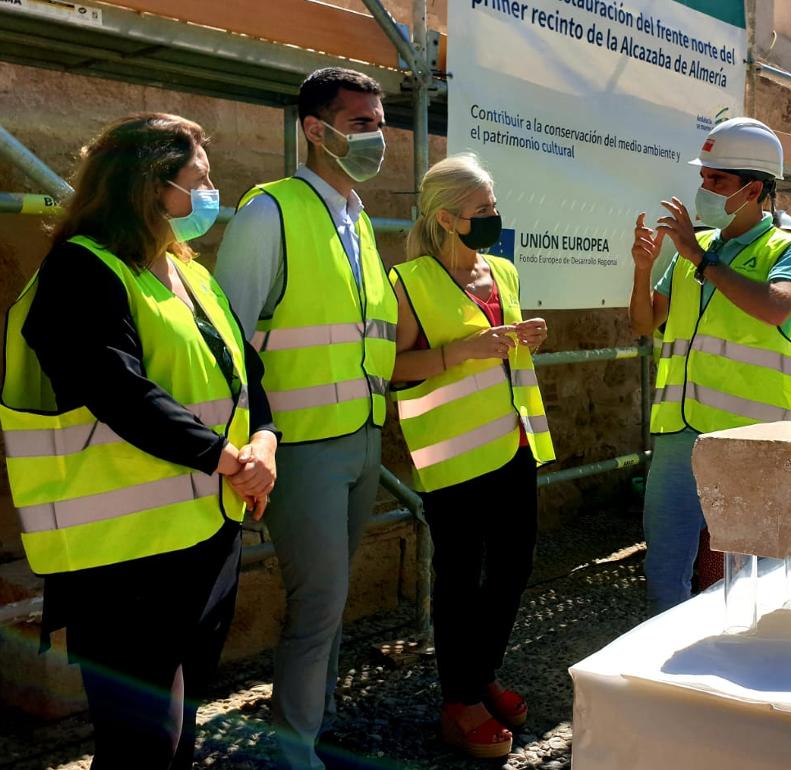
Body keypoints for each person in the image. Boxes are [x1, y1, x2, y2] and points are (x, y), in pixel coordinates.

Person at [0, 113, 277, 769]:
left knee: (177, 726)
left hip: (207, 534)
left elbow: (249, 381)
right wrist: (225, 457)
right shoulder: (81, 271)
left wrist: (264, 442)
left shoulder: (193, 275)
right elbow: (116, 388)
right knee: (137, 742)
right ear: (151, 188)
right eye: (198, 180)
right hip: (124, 559)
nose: (211, 195)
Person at [214, 67, 397, 770]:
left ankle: (310, 729)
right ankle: (295, 753)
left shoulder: (355, 221)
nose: (377, 139)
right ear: (314, 131)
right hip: (300, 449)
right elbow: (228, 342)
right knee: (317, 606)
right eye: (362, 125)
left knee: (333, 601)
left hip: (359, 440)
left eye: (381, 124)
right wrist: (251, 449)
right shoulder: (272, 212)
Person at [389, 153, 554, 758]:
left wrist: (524, 336)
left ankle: (481, 674)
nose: (494, 217)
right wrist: (463, 351)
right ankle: (459, 701)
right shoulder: (408, 282)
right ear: (444, 217)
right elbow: (394, 368)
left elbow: (503, 348)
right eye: (482, 209)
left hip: (515, 444)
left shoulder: (503, 272)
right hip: (454, 459)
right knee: (460, 580)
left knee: (512, 571)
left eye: (494, 206)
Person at [629, 117, 791, 612]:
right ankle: (661, 673)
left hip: (750, 442)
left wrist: (699, 257)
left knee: (749, 575)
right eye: (704, 176)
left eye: (717, 180)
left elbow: (777, 305)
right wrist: (642, 269)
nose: (703, 188)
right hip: (678, 434)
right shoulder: (697, 251)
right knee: (665, 567)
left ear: (753, 188)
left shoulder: (788, 249)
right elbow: (644, 323)